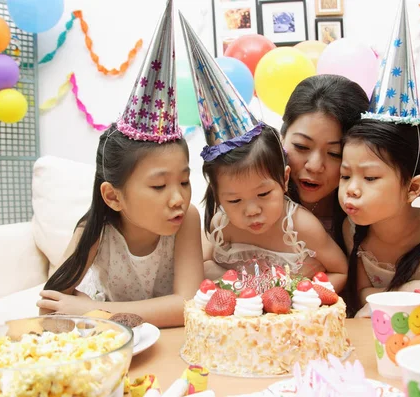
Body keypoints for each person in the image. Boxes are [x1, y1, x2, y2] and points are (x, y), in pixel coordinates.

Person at [37, 1, 204, 328]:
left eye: (184, 181)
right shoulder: (96, 228)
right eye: (159, 185)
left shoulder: (186, 219)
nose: (178, 198)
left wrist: (95, 313)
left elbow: (188, 304)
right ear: (113, 196)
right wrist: (87, 313)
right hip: (115, 343)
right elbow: (50, 305)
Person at [178, 15, 347, 288]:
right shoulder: (221, 223)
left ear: (283, 178)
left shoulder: (302, 227)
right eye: (234, 200)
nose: (252, 210)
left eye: (334, 152)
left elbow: (340, 271)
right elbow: (204, 266)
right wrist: (240, 286)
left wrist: (303, 296)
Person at [340, 0, 420, 318]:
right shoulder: (353, 230)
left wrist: (407, 292)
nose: (351, 189)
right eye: (345, 176)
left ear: (412, 188)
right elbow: (363, 293)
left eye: (369, 178)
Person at [280, 75, 369, 252]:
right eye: (301, 146)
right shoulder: (250, 190)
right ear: (282, 138)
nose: (314, 166)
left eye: (335, 153)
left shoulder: (369, 215)